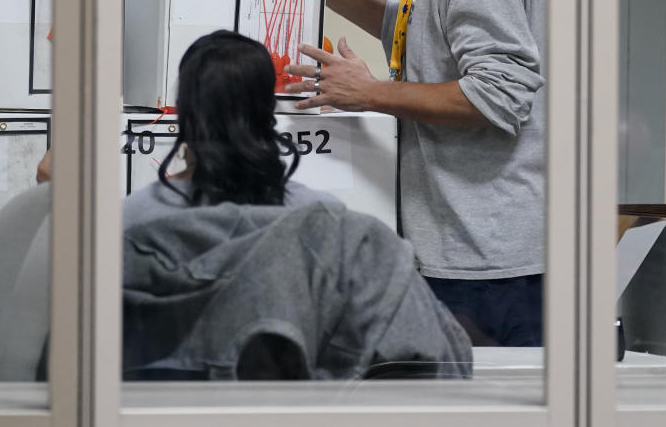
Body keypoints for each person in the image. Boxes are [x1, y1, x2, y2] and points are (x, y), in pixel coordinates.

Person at [279, 0, 546, 347]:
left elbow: (501, 94)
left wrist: (369, 92)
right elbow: (417, 30)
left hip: (489, 260)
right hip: (451, 244)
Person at [119, 30, 472, 379]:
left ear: (184, 114)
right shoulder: (335, 230)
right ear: (267, 114)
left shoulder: (127, 224)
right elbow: (439, 356)